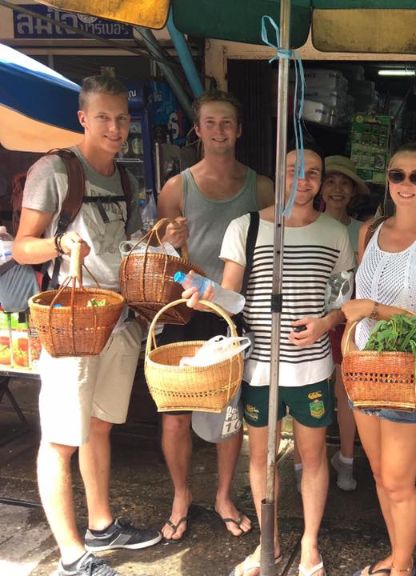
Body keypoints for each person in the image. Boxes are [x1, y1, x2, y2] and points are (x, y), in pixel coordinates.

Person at [13, 75, 161, 576]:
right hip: (71, 329)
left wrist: (160, 234)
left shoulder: (123, 179)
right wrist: (59, 246)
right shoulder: (54, 170)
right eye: (104, 117)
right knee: (59, 439)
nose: (115, 128)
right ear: (83, 118)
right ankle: (72, 556)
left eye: (121, 118)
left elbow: (126, 244)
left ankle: (102, 524)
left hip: (117, 323)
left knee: (99, 428)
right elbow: (21, 246)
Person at [188, 143, 353, 576]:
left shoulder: (335, 232)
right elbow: (232, 298)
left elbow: (341, 302)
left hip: (313, 366)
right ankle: (269, 543)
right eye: (295, 170)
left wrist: (326, 323)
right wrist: (207, 298)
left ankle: (310, 544)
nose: (304, 180)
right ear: (279, 176)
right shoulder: (245, 227)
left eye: (313, 173)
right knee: (260, 458)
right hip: (259, 366)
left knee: (312, 458)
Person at [156, 89, 273, 542]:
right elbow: (159, 256)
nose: (219, 131)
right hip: (184, 314)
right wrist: (172, 238)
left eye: (227, 123)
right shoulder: (176, 187)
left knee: (229, 413)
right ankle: (181, 495)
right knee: (175, 416)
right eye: (210, 123)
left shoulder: (260, 187)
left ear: (238, 130)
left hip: (231, 313)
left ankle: (225, 495)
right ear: (198, 129)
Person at [342, 143, 416, 576]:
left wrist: (373, 309)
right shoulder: (368, 231)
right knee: (378, 475)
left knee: (398, 482)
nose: (405, 185)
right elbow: (355, 295)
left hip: (409, 376)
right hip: (365, 371)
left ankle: (402, 567)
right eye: (397, 175)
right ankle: (397, 558)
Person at [315, 154, 370, 492]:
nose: (337, 189)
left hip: (348, 321)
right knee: (314, 391)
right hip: (311, 319)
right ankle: (310, 462)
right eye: (331, 181)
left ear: (353, 191)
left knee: (346, 393)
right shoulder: (305, 223)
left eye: (344, 183)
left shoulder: (361, 232)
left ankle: (346, 462)